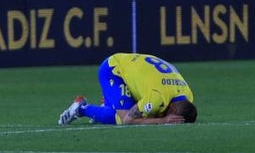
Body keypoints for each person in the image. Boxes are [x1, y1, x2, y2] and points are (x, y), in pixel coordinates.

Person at [58, 53, 198, 125]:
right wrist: (163, 120)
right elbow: (128, 120)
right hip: (114, 68)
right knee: (120, 118)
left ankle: (108, 104)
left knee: (144, 115)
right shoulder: (157, 97)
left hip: (135, 69)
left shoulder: (188, 95)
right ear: (173, 110)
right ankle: (80, 108)